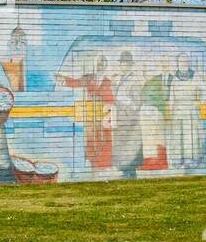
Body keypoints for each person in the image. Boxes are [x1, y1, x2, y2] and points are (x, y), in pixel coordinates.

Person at [57, 54, 113, 170]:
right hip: (90, 114)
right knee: (91, 139)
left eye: (102, 63)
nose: (100, 65)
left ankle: (103, 164)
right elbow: (76, 83)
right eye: (98, 63)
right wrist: (63, 80)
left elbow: (112, 98)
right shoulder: (89, 78)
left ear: (106, 65)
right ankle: (93, 162)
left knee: (104, 139)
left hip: (104, 115)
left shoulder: (109, 82)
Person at [166, 52, 205, 168]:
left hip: (190, 110)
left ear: (188, 63)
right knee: (177, 135)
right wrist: (170, 112)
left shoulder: (195, 77)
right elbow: (171, 97)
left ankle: (190, 159)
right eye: (180, 61)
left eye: (185, 61)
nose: (183, 64)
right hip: (177, 111)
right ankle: (178, 158)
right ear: (177, 64)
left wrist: (199, 102)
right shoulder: (174, 79)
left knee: (190, 135)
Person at [111, 51, 144, 179]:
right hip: (121, 118)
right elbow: (116, 97)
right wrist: (114, 85)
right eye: (122, 64)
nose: (124, 66)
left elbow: (138, 102)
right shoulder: (120, 79)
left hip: (130, 119)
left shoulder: (134, 80)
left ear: (130, 65)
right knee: (122, 145)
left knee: (131, 145)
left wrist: (126, 103)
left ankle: (130, 171)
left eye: (126, 64)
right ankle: (125, 171)